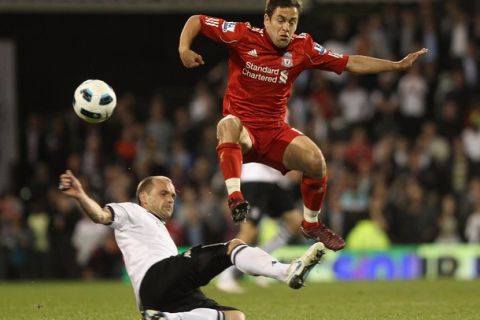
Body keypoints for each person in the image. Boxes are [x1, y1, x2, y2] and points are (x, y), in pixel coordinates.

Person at [178, 0, 428, 251]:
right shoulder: (242, 35)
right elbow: (196, 20)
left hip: (274, 132)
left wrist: (396, 65)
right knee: (228, 123)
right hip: (244, 132)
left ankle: (311, 223)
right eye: (280, 20)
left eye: (292, 22)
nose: (286, 28)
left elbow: (349, 62)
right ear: (266, 20)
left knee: (316, 161)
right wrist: (184, 49)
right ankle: (235, 197)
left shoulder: (303, 47)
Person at [58, 170, 325, 320]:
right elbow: (101, 216)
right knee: (230, 247)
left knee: (235, 318)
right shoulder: (130, 211)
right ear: (143, 196)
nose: (170, 199)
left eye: (173, 195)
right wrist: (81, 195)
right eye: (163, 193)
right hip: (157, 277)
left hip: (160, 299)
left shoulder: (157, 228)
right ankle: (285, 271)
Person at [216, 162, 304, 293]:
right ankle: (226, 275)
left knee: (297, 223)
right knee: (249, 231)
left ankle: (256, 261)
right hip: (255, 179)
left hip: (275, 182)